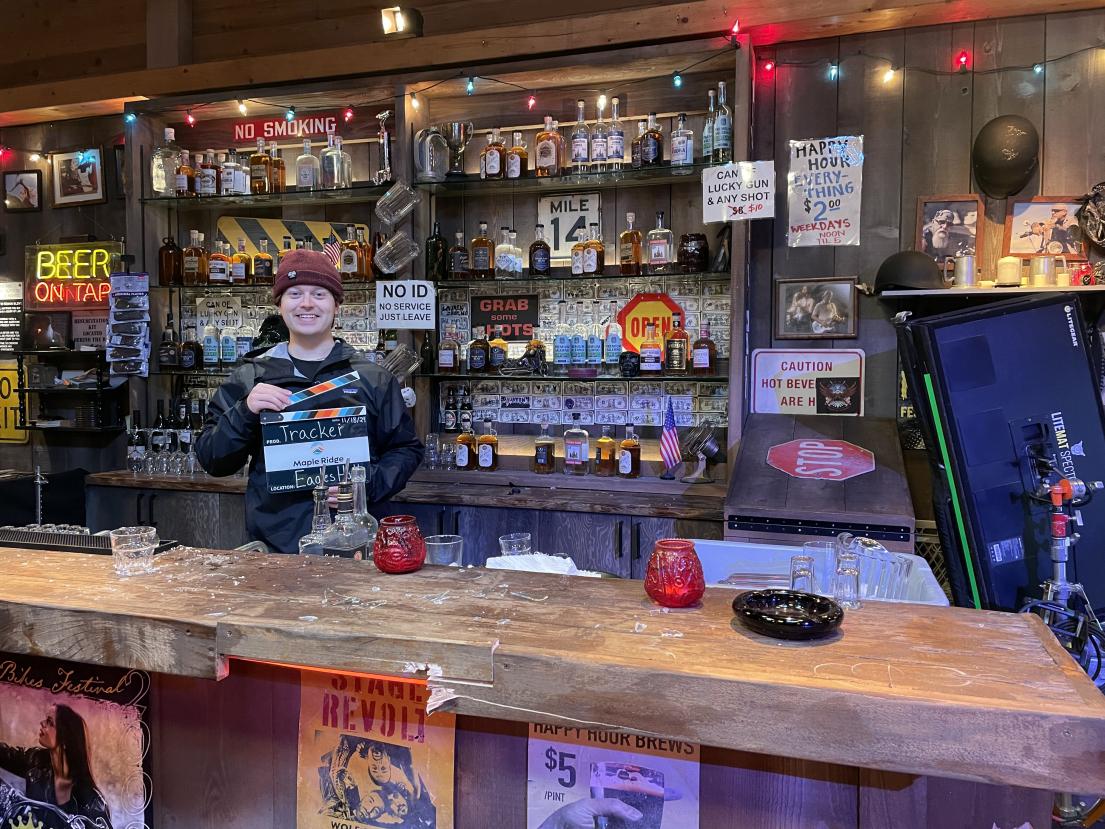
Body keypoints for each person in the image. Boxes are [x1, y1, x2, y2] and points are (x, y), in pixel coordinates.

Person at [195, 248, 422, 553]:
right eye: (294, 293)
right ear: (279, 304)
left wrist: (364, 485)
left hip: (357, 546)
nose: (306, 304)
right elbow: (212, 459)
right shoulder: (250, 376)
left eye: (319, 294)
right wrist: (245, 410)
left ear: (337, 305)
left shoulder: (372, 378)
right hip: (277, 547)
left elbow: (405, 449)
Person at [0, 703, 112, 826]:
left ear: (65, 739)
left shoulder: (92, 801)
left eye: (49, 722)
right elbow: (4, 755)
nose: (42, 723)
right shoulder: (37, 761)